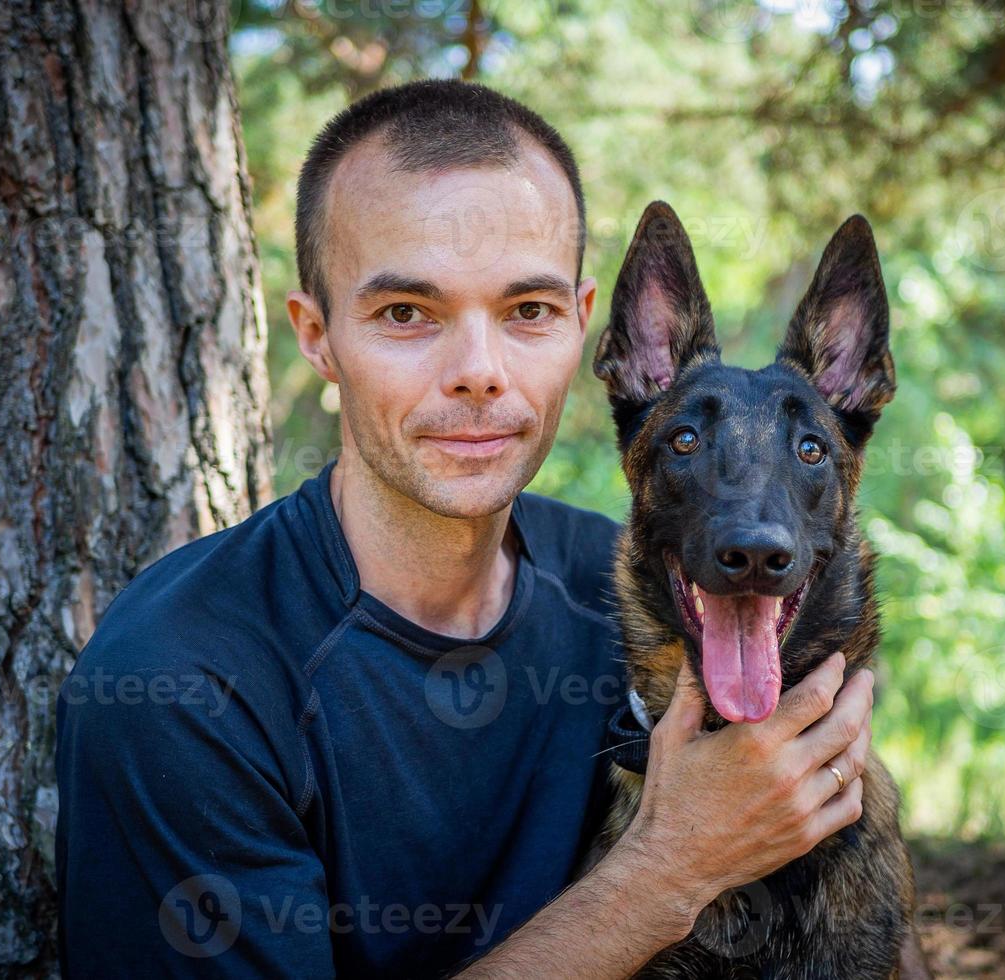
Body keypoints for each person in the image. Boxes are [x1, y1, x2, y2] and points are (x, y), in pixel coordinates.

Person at [54, 79, 874, 979]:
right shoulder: (182, 683)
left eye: (528, 312)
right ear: (317, 335)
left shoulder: (641, 594)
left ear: (582, 329)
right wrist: (668, 870)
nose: (479, 372)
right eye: (407, 313)